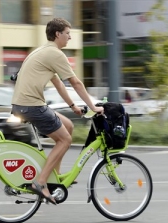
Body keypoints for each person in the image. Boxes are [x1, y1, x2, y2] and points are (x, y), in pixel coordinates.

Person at [11, 18, 104, 205]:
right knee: (65, 140)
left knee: (67, 126)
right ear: (57, 34)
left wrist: (73, 107)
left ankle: (55, 176)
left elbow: (59, 84)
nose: (70, 37)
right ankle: (41, 182)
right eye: (68, 33)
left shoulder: (42, 51)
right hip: (32, 105)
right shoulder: (55, 54)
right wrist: (93, 106)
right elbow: (75, 82)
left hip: (24, 104)